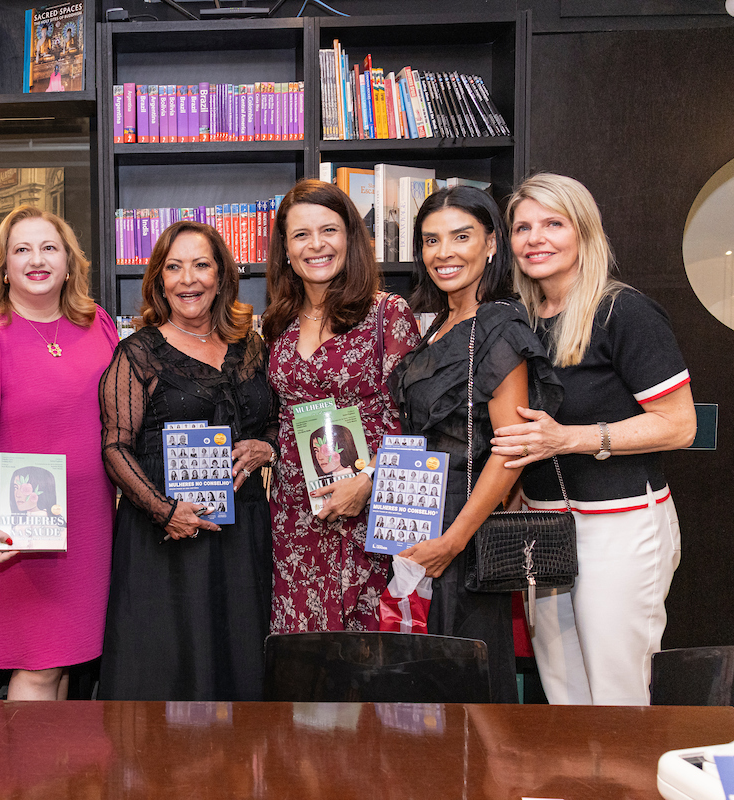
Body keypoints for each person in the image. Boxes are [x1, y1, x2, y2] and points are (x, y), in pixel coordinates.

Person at [492, 174, 695, 705]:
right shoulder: (519, 321)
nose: (536, 238)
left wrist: (568, 439)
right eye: (523, 227)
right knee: (563, 697)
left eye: (553, 224)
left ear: (584, 232)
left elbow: (679, 424)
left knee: (618, 696)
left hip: (620, 527)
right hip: (543, 528)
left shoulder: (624, 312)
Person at [388, 185, 563, 703]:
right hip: (423, 515)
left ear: (491, 244)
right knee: (427, 681)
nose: (444, 253)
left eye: (461, 237)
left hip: (463, 526)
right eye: (431, 240)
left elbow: (509, 450)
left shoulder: (499, 326)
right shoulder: (443, 324)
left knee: (464, 686)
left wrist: (455, 539)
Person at [0, 205, 117, 701]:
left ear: (69, 262)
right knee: (38, 665)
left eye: (48, 248)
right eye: (22, 249)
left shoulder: (97, 324)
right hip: (22, 528)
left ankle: (50, 778)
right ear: (3, 264)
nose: (36, 260)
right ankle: (24, 775)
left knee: (66, 664)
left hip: (90, 526)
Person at [99, 220, 277, 700]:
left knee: (239, 652)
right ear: (159, 279)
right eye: (174, 267)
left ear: (221, 276)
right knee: (172, 663)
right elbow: (115, 446)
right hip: (168, 534)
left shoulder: (251, 346)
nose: (188, 279)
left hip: (243, 532)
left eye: (201, 265)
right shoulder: (137, 353)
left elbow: (270, 422)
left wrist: (269, 449)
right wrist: (164, 510)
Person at [262, 179, 420, 634]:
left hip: (369, 511)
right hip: (295, 514)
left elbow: (411, 424)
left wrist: (368, 484)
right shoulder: (278, 323)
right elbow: (280, 419)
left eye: (328, 230)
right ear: (286, 250)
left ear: (351, 238)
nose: (316, 245)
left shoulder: (387, 313)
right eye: (301, 235)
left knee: (367, 659)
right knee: (303, 655)